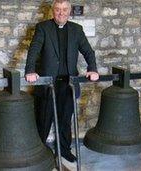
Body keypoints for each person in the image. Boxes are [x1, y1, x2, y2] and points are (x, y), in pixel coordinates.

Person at [24, 0, 99, 162]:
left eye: (65, 9)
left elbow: (88, 51)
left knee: (65, 121)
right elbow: (34, 50)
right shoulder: (43, 27)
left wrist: (92, 68)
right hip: (47, 84)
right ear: (53, 11)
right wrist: (30, 70)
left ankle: (63, 150)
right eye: (58, 9)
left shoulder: (77, 30)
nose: (61, 12)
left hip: (68, 85)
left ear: (69, 12)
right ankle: (39, 154)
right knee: (43, 120)